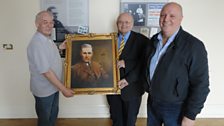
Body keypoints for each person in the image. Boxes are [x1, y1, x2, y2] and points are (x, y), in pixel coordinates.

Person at [141, 2, 210, 126]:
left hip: (176, 107)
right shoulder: (153, 41)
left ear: (181, 19)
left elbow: (201, 84)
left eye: (172, 16)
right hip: (153, 102)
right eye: (163, 15)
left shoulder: (194, 46)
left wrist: (190, 116)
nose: (166, 19)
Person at [27, 11, 74, 126]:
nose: (49, 25)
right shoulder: (37, 43)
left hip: (53, 87)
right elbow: (46, 72)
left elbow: (48, 56)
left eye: (51, 22)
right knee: (45, 120)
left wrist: (60, 47)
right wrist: (64, 89)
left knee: (52, 116)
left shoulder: (46, 39)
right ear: (37, 24)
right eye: (45, 22)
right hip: (44, 90)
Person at [106, 13, 150, 126]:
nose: (123, 25)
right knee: (116, 120)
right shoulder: (108, 39)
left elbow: (144, 64)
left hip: (132, 89)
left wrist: (127, 64)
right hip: (112, 89)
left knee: (130, 122)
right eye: (120, 22)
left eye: (127, 22)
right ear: (116, 24)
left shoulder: (143, 41)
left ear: (132, 24)